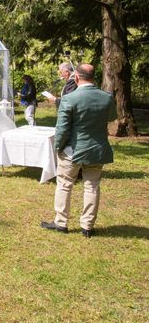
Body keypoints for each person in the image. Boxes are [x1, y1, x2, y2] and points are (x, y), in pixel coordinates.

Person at [41, 63, 117, 238]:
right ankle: (87, 226)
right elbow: (112, 117)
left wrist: (57, 147)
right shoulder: (106, 97)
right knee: (92, 186)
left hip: (72, 150)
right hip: (97, 149)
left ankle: (61, 222)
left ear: (76, 77)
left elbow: (62, 128)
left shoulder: (70, 99)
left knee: (65, 184)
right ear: (93, 78)